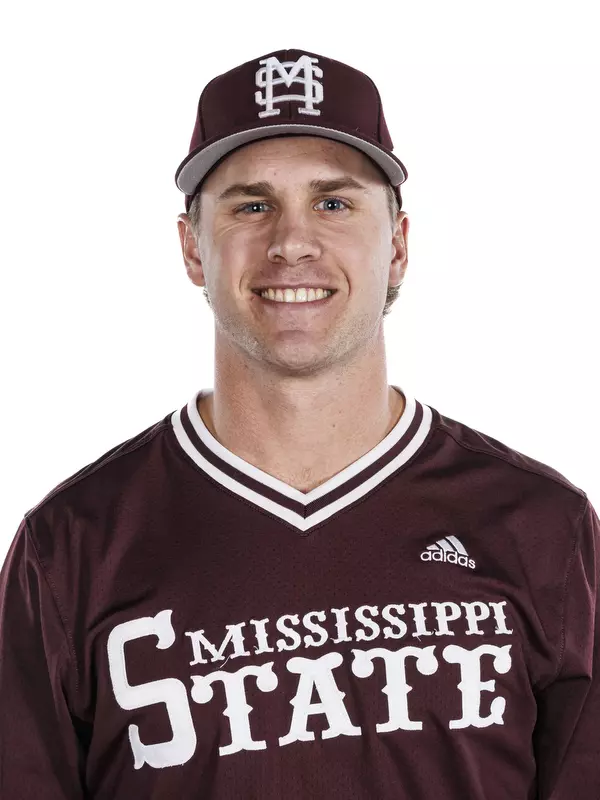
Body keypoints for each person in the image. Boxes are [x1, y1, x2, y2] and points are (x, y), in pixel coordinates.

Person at [0, 47, 598, 800]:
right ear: (192, 247)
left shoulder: (543, 527)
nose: (291, 242)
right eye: (251, 205)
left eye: (334, 203)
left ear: (400, 246)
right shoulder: (71, 547)